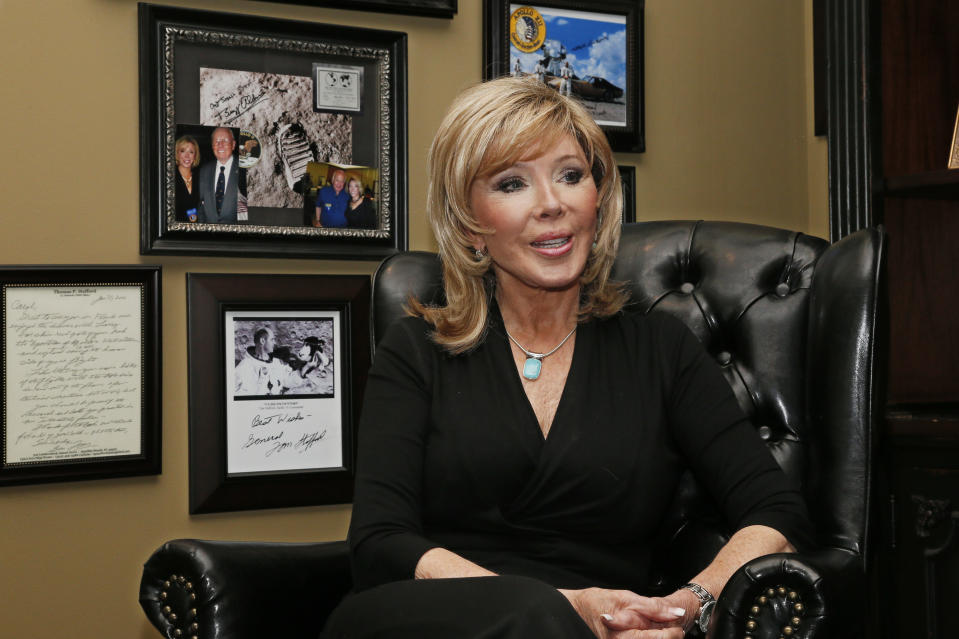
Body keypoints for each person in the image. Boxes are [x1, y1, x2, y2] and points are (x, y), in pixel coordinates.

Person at [321, 77, 812, 639]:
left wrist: (685, 605)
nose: (551, 204)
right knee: (534, 616)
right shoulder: (414, 352)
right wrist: (567, 607)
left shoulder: (662, 352)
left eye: (570, 175)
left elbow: (776, 510)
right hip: (427, 621)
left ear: (597, 204)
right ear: (469, 225)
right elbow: (380, 542)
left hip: (608, 629)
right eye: (512, 183)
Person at [234, 326, 300, 396]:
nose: (274, 343)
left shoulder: (276, 362)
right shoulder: (245, 366)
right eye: (272, 340)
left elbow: (287, 381)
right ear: (262, 341)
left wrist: (300, 374)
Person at [198, 127, 240, 224]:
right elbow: (200, 205)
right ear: (212, 146)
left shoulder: (245, 169)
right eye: (216, 141)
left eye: (225, 140)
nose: (220, 144)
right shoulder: (204, 170)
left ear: (233, 144)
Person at [173, 135, 200, 222]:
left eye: (191, 152)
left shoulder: (201, 178)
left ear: (195, 156)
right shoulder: (169, 178)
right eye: (183, 151)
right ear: (177, 153)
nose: (187, 156)